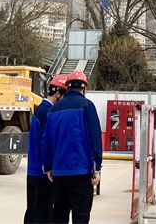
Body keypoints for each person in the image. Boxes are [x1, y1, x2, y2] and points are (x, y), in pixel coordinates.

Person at [40, 70, 102, 224]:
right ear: (84, 88)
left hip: (59, 173)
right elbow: (95, 138)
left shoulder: (53, 110)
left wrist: (48, 167)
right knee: (80, 216)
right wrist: (96, 168)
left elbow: (45, 142)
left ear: (67, 88)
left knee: (59, 215)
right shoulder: (87, 106)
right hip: (81, 172)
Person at [25, 74, 69, 223]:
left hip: (32, 170)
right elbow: (45, 144)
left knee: (32, 211)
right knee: (43, 213)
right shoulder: (48, 113)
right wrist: (49, 167)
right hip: (43, 173)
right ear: (58, 94)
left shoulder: (39, 110)